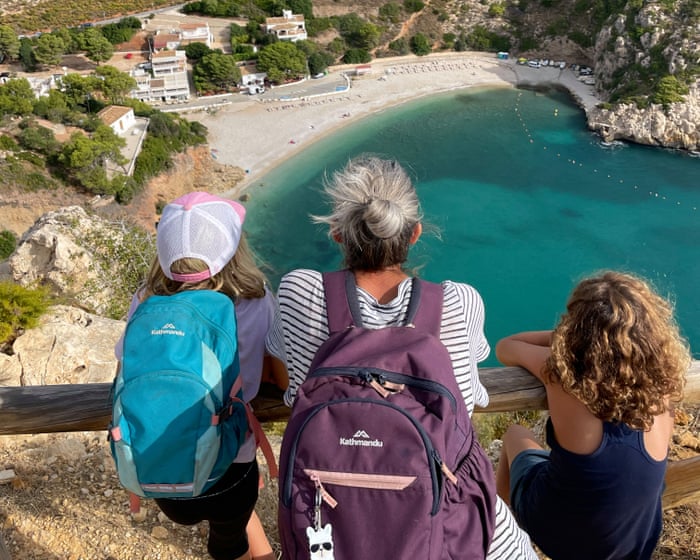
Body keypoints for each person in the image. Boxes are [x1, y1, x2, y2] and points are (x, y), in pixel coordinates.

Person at [269, 155, 538, 559]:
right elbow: (472, 399)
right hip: (457, 536)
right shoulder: (459, 302)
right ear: (414, 233)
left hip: (335, 538)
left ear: (338, 234)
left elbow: (287, 379)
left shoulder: (298, 291)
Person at [115, 192, 287, 560]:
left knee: (229, 522)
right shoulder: (255, 299)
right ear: (233, 248)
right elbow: (277, 374)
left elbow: (124, 369)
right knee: (228, 541)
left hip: (164, 468)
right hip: (231, 468)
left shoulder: (146, 299)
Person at [494, 271, 690, 560]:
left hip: (562, 535)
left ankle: (503, 531)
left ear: (579, 327)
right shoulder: (662, 392)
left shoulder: (564, 378)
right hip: (635, 541)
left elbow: (505, 348)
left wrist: (568, 339)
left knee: (515, 434)